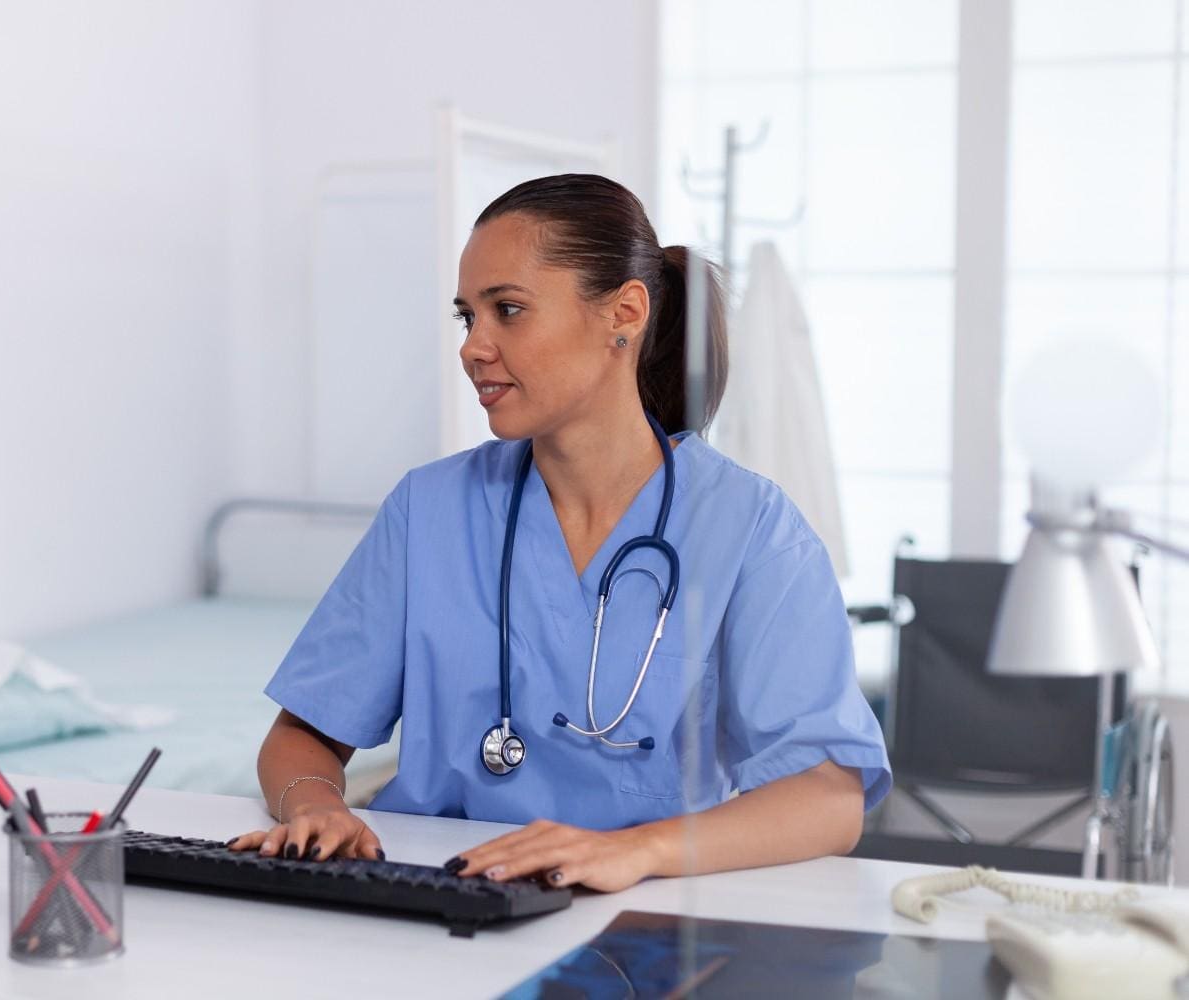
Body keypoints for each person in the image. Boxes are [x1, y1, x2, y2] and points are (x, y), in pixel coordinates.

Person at [227, 174, 890, 893]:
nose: (473, 347)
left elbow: (828, 797)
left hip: (643, 918)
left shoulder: (751, 529)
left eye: (507, 310)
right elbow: (304, 734)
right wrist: (318, 806)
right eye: (467, 317)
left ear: (623, 315)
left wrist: (640, 851)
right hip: (432, 898)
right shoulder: (430, 509)